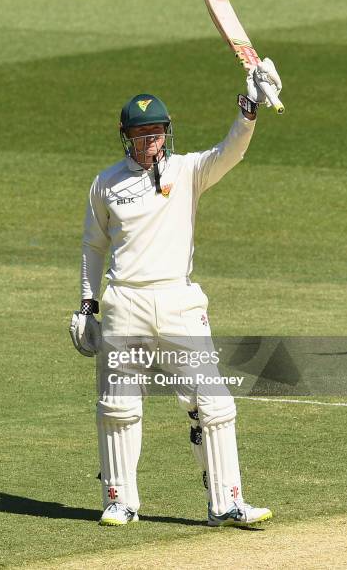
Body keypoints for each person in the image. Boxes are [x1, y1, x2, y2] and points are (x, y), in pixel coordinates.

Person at [69, 59, 282, 526]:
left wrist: (249, 108)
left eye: (157, 133)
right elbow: (92, 246)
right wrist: (87, 305)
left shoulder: (187, 172)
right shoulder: (106, 183)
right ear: (127, 138)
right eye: (142, 135)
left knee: (215, 403)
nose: (150, 143)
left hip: (180, 301)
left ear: (168, 132)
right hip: (125, 302)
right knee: (119, 407)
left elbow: (230, 152)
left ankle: (226, 502)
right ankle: (120, 500)